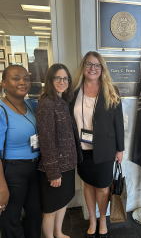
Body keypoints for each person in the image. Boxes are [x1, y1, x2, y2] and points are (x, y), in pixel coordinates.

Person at [69, 51, 124, 238]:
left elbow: (119, 123)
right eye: (89, 64)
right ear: (83, 66)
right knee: (88, 183)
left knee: (102, 186)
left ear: (102, 69)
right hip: (82, 149)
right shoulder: (73, 90)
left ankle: (102, 220)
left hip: (105, 149)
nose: (93, 68)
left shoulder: (111, 90)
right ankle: (91, 219)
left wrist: (120, 149)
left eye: (97, 65)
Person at [36, 63, 83, 238]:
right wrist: (53, 172)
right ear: (50, 80)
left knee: (62, 202)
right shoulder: (47, 103)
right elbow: (47, 141)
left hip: (67, 164)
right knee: (50, 208)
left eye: (65, 78)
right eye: (58, 78)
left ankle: (58, 232)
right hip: (55, 168)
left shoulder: (62, 101)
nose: (62, 81)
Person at [0, 65, 42, 238]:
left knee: (35, 214)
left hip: (34, 169)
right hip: (12, 172)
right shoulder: (2, 110)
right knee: (11, 219)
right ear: (3, 83)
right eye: (16, 78)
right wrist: (1, 186)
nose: (22, 82)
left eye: (26, 78)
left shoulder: (32, 104)